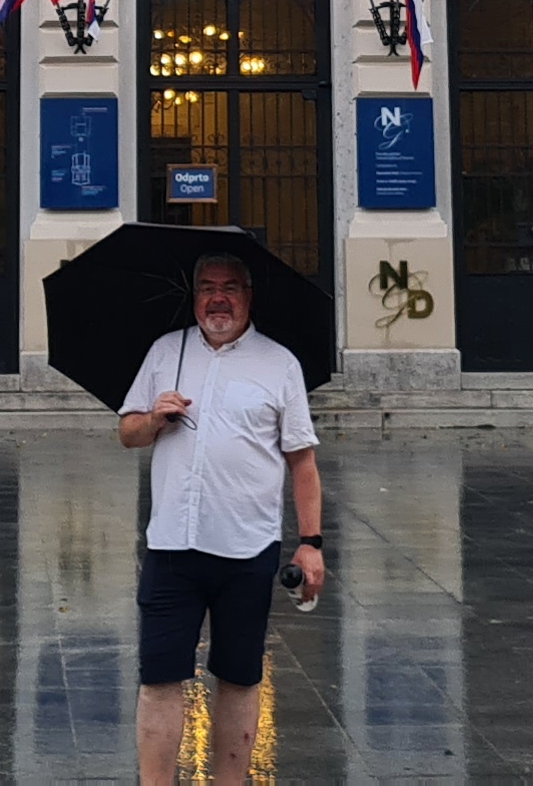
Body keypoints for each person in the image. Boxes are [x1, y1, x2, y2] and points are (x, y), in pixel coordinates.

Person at [116, 249, 322, 786]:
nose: (218, 298)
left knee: (238, 677)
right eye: (207, 287)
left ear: (248, 296)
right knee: (159, 678)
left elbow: (302, 461)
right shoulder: (166, 351)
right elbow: (127, 433)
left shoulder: (279, 363)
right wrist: (154, 419)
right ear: (194, 296)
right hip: (172, 547)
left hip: (246, 550)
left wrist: (311, 542)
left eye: (230, 287)